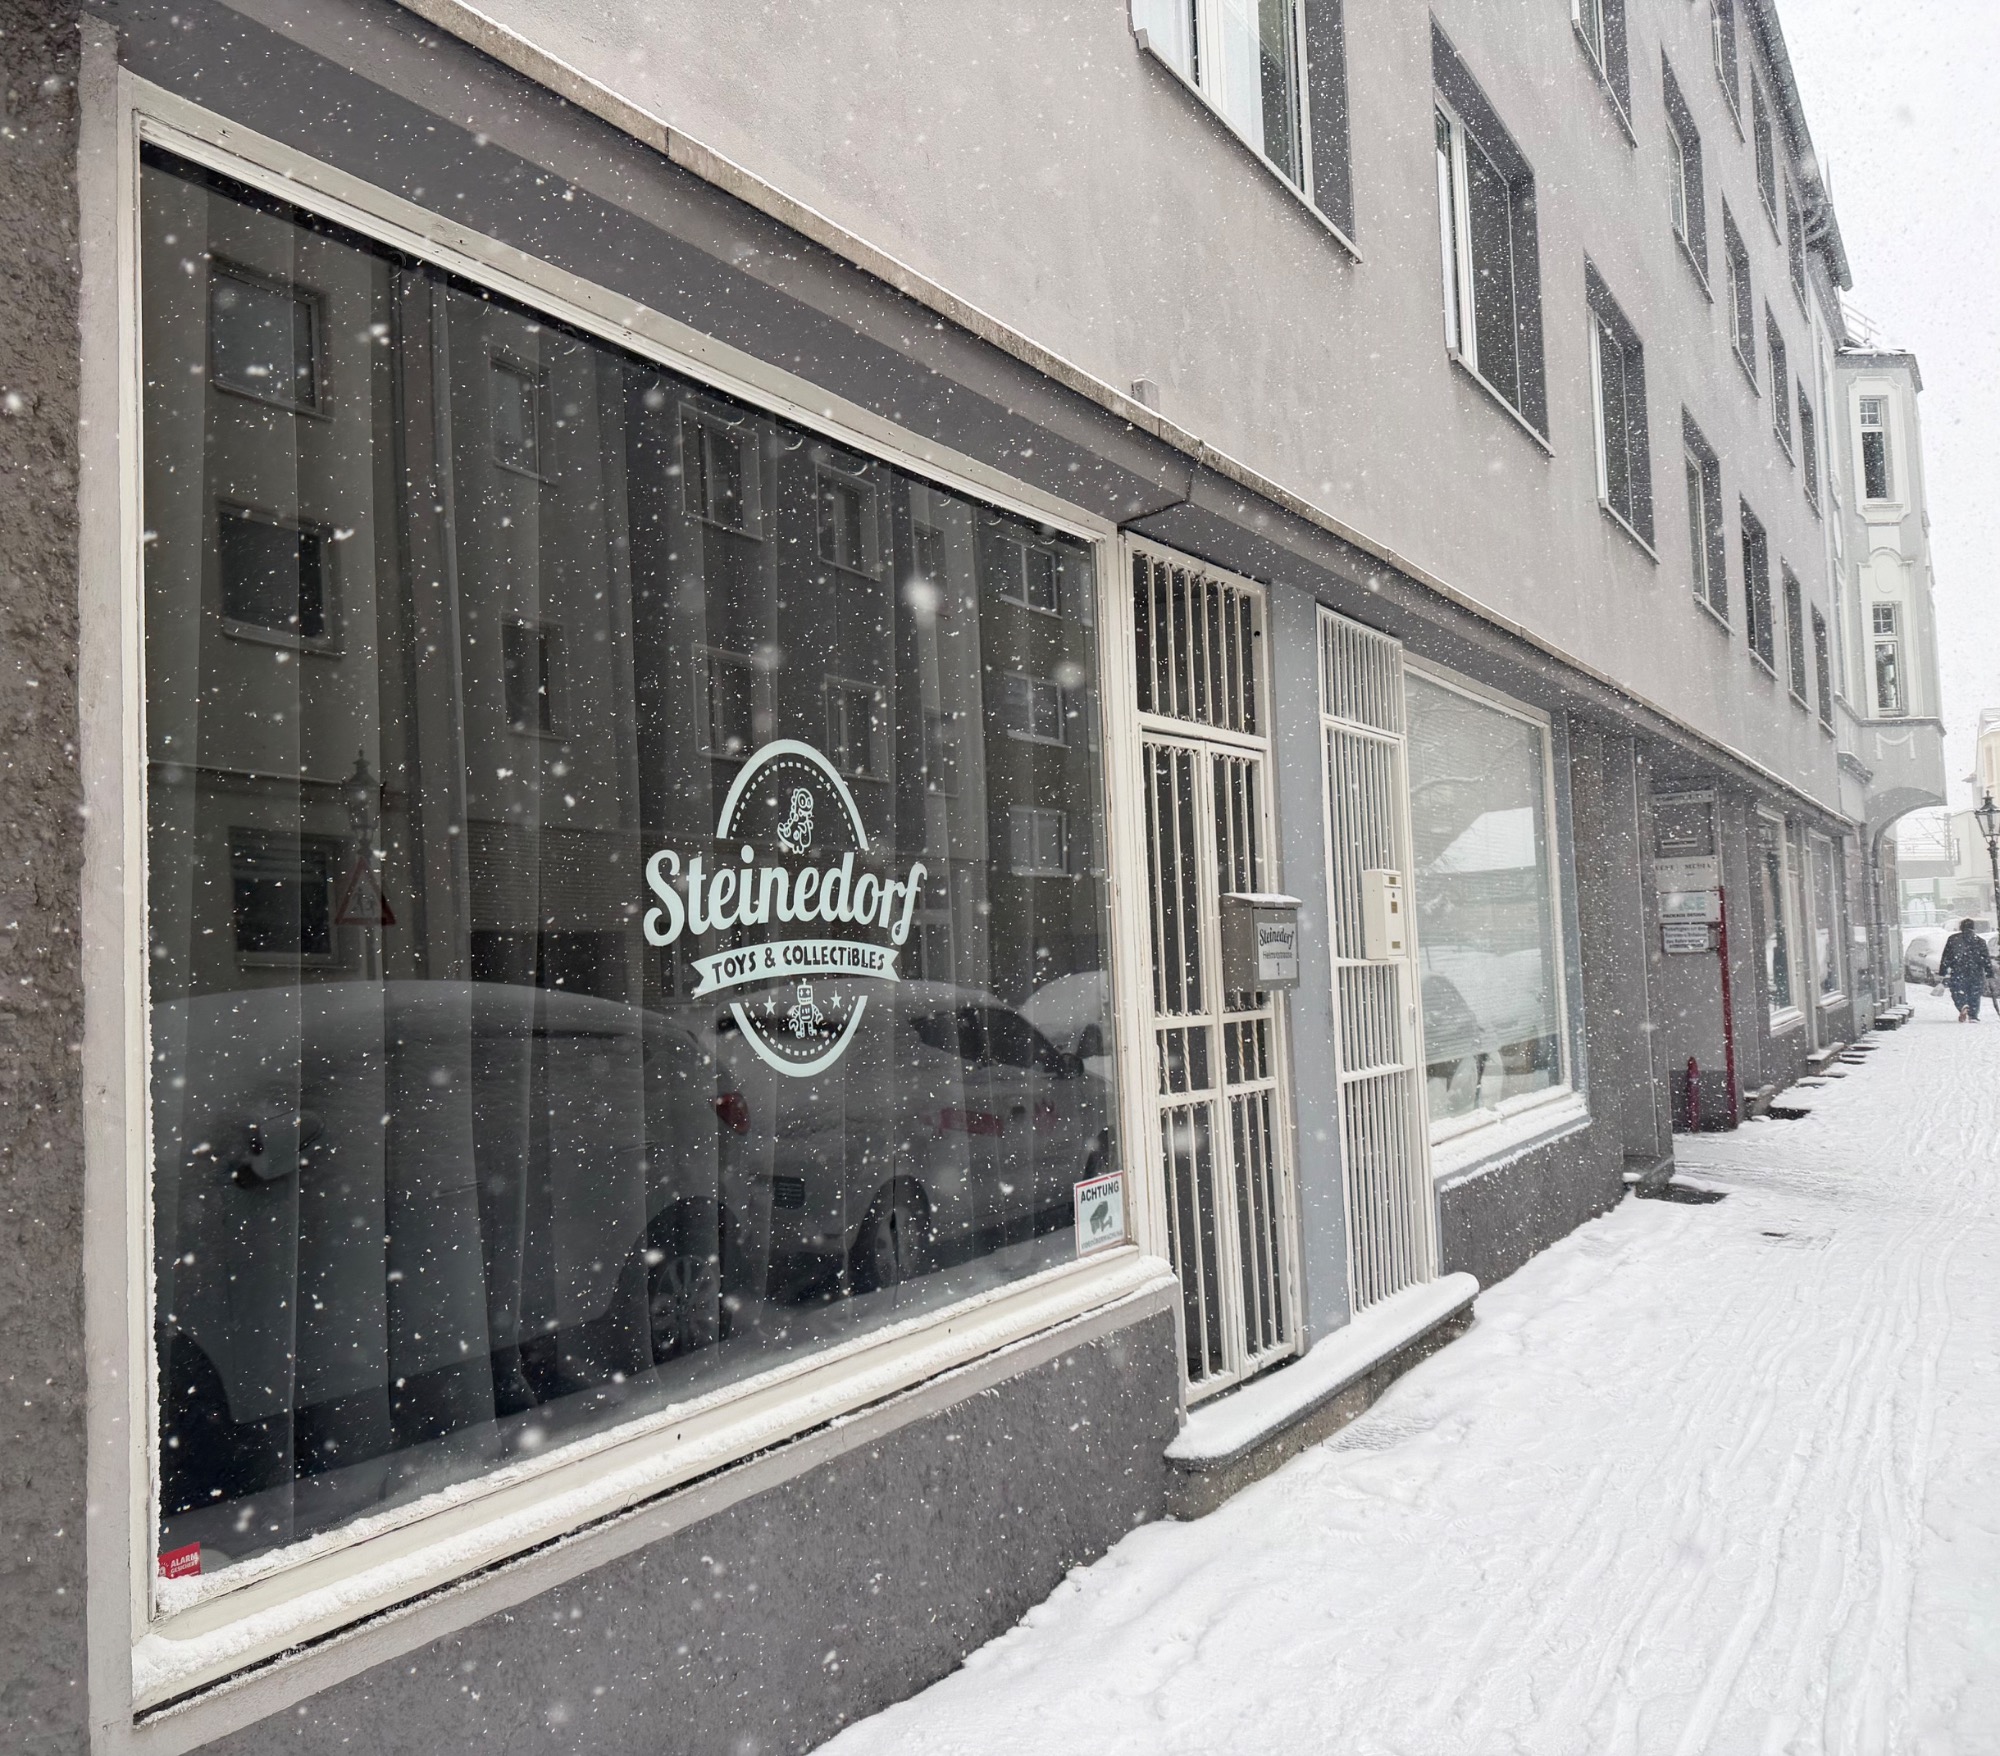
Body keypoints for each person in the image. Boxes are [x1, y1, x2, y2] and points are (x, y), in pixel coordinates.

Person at [1935, 918, 1994, 1022]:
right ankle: (1973, 1015)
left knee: (1958, 991)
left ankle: (1962, 1005)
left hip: (1958, 971)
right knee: (1975, 993)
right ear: (1973, 928)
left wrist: (1942, 972)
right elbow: (1986, 959)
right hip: (1976, 972)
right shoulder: (1980, 941)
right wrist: (1989, 973)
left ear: (1961, 927)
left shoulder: (1953, 939)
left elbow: (1946, 957)